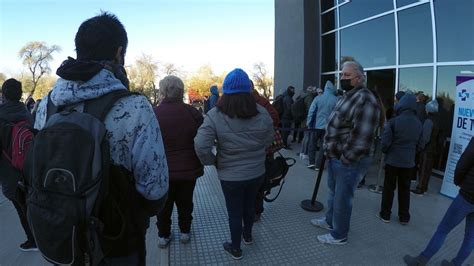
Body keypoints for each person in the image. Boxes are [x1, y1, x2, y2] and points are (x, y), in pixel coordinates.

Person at [32, 12, 168, 265]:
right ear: (120, 53)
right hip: (117, 242)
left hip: (61, 235)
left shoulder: (47, 105)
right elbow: (155, 188)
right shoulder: (135, 106)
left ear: (79, 50)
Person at [194, 68, 273, 260]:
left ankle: (235, 247)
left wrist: (214, 162)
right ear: (248, 90)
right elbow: (269, 140)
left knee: (234, 211)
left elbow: (201, 146)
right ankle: (248, 236)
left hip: (230, 175)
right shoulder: (262, 112)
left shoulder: (215, 115)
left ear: (226, 92)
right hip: (256, 172)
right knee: (249, 206)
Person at [310, 60, 380, 245]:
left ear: (359, 78)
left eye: (347, 75)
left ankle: (339, 235)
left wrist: (345, 158)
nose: (342, 78)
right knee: (334, 193)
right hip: (335, 157)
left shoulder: (366, 99)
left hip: (349, 160)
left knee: (343, 198)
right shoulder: (348, 95)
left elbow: (362, 137)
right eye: (342, 75)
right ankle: (329, 221)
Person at [404, 137, 474, 266]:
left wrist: (458, 181)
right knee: (470, 237)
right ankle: (456, 264)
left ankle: (420, 261)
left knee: (443, 230)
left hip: (468, 194)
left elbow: (463, 164)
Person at [154, 76, 204, 248]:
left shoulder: (154, 113)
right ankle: (185, 232)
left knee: (164, 206)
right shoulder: (192, 112)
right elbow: (202, 138)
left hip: (163, 171)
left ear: (163, 91)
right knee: (186, 203)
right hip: (188, 169)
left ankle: (163, 235)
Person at [0, 79, 37, 252]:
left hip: (10, 173)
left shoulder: (1, 115)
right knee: (31, 205)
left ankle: (33, 240)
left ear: (3, 95)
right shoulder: (26, 112)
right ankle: (42, 236)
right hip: (30, 169)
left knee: (21, 208)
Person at [377, 94, 423, 225]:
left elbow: (385, 142)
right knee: (405, 189)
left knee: (388, 188)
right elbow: (421, 143)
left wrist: (387, 152)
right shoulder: (419, 123)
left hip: (392, 161)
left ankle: (385, 214)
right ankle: (404, 217)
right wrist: (412, 153)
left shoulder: (394, 121)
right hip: (408, 163)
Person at [252, 81, 280, 222]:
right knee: (260, 180)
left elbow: (274, 119)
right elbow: (275, 118)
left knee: (256, 181)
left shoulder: (258, 102)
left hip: (259, 149)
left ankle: (255, 210)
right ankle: (257, 210)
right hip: (264, 149)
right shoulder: (262, 101)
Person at [306, 80, 337, 170]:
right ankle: (319, 165)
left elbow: (311, 112)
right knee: (323, 147)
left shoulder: (318, 98)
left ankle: (311, 162)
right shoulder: (336, 100)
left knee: (312, 144)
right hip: (328, 128)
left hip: (316, 126)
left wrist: (309, 124)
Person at [412, 99, 440, 196]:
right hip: (432, 149)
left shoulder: (428, 121)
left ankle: (420, 189)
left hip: (426, 150)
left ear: (428, 109)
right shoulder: (436, 120)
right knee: (428, 170)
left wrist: (420, 147)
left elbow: (425, 138)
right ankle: (424, 188)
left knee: (423, 169)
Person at [299, 86, 317, 159]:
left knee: (305, 136)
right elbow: (310, 109)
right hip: (307, 119)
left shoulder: (304, 96)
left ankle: (302, 152)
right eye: (314, 89)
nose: (315, 91)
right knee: (307, 137)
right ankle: (305, 153)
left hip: (304, 119)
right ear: (310, 90)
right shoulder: (309, 97)